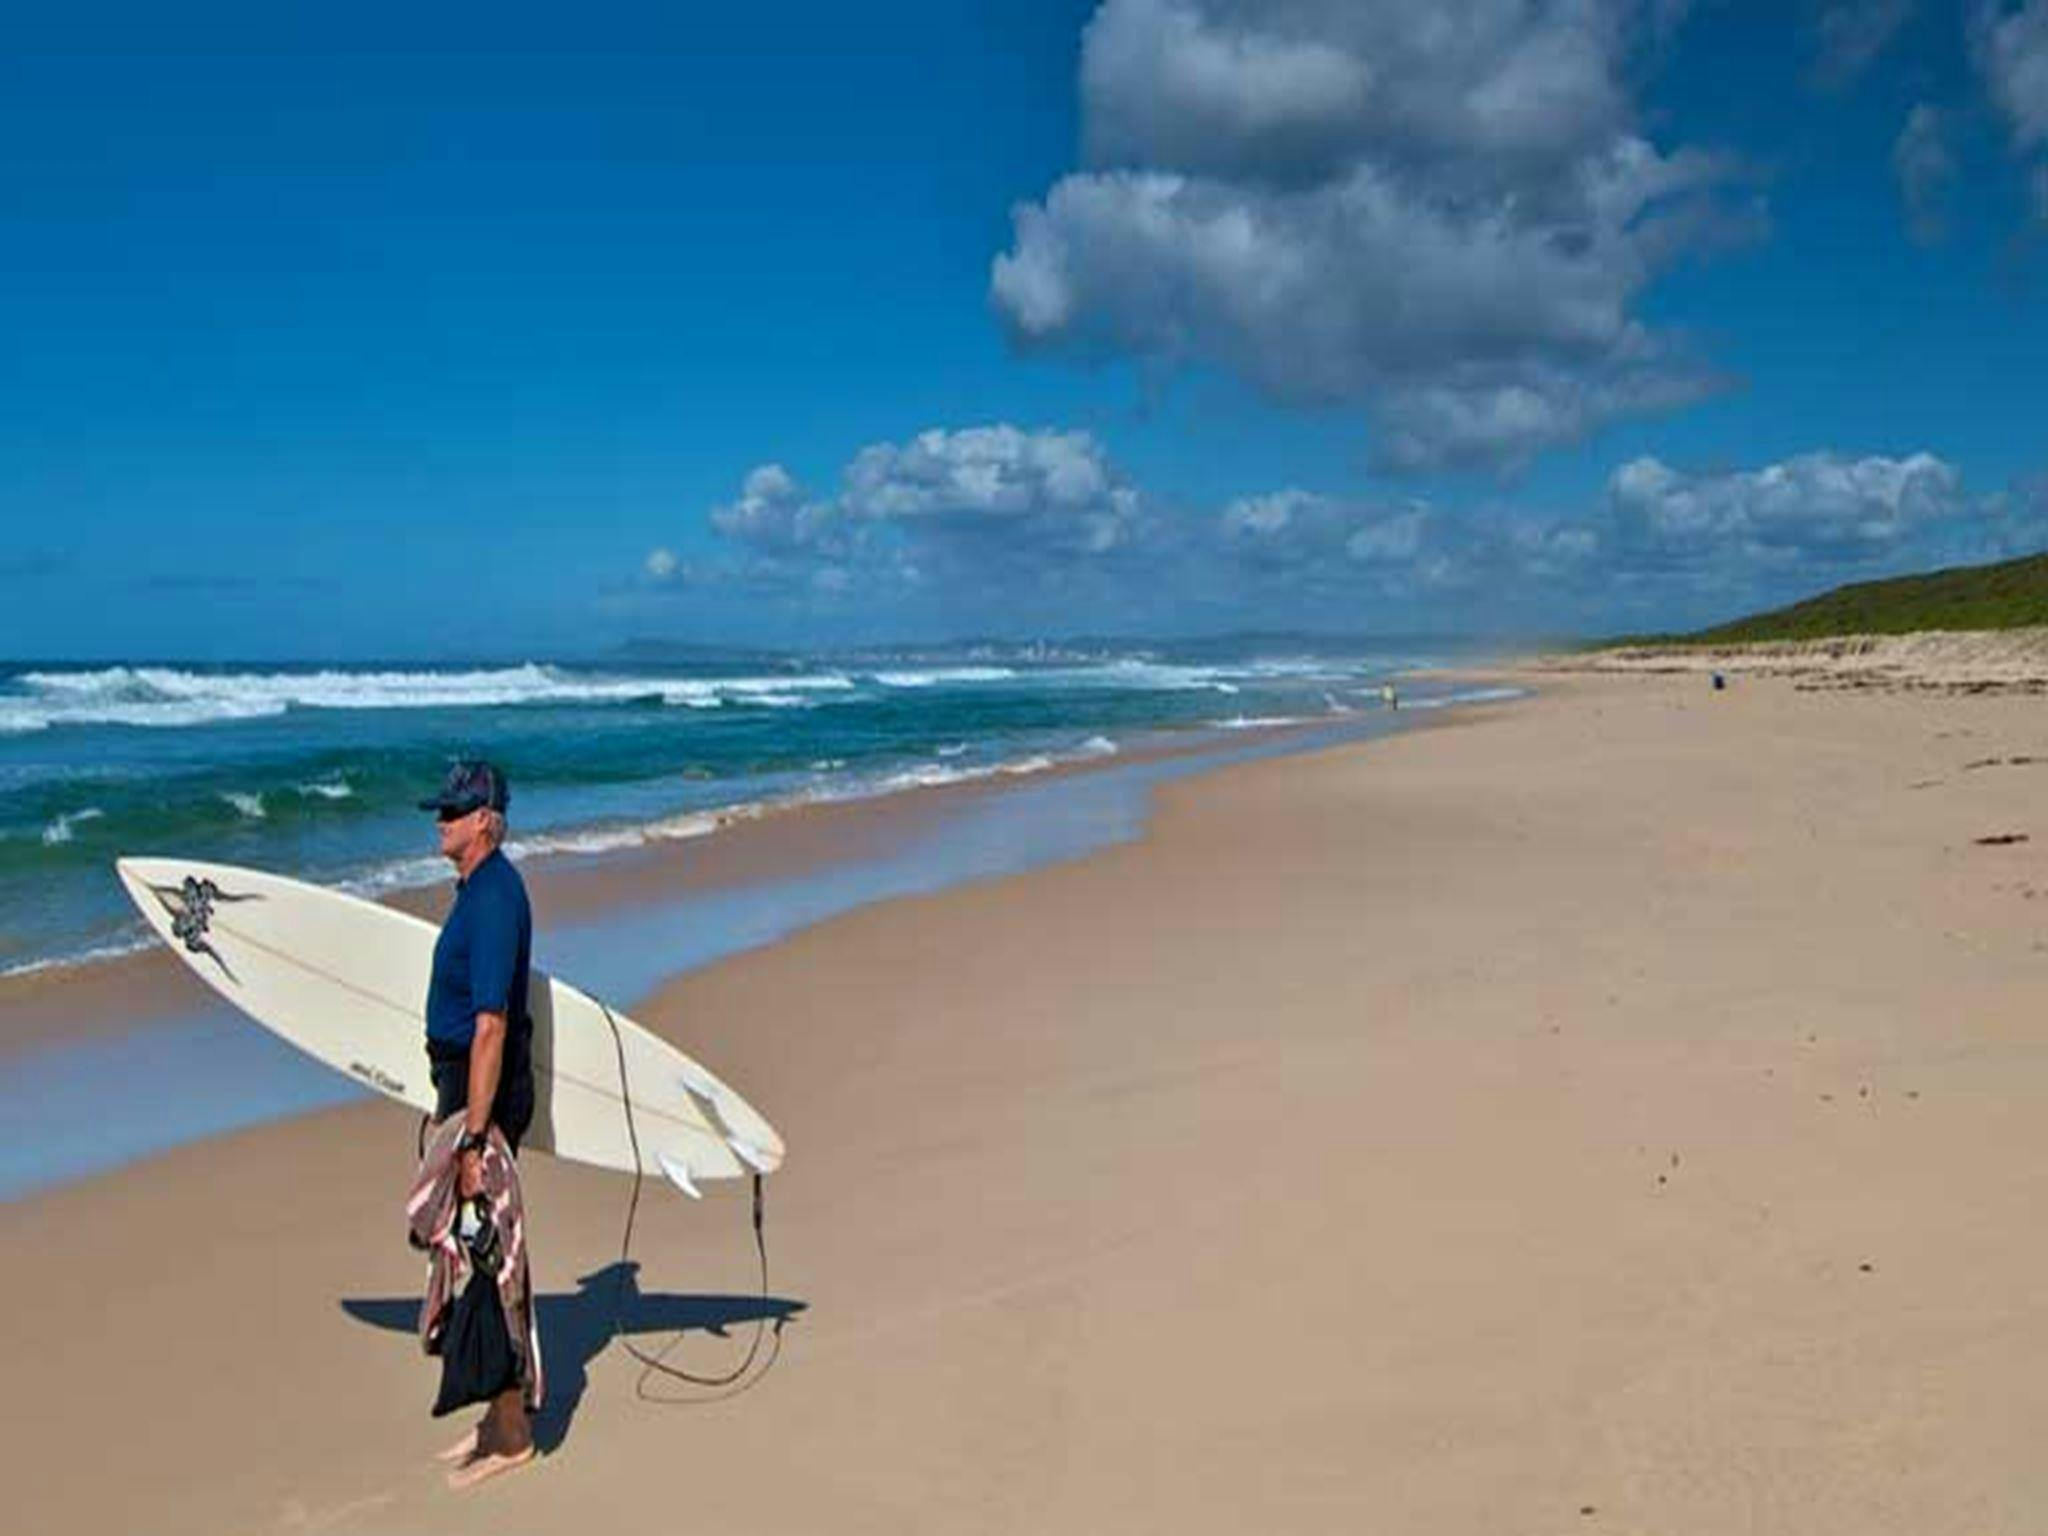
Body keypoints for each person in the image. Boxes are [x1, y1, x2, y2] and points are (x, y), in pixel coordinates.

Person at [418, 759, 537, 1485]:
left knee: (486, 1253)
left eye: (455, 811)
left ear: (487, 821)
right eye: (442, 809)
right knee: (471, 1251)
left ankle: (513, 1431)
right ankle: (493, 1415)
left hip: (481, 1092)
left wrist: (472, 1137)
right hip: (462, 1086)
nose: (442, 820)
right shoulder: (477, 889)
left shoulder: (494, 898)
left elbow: (492, 1024)